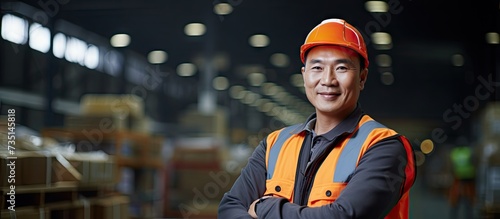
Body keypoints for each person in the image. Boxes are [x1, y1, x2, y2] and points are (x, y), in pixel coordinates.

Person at [218, 18, 416, 219]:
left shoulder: (384, 147)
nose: (328, 80)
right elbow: (230, 208)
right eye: (317, 68)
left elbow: (343, 216)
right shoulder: (274, 145)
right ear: (304, 76)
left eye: (341, 68)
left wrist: (265, 208)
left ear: (362, 78)